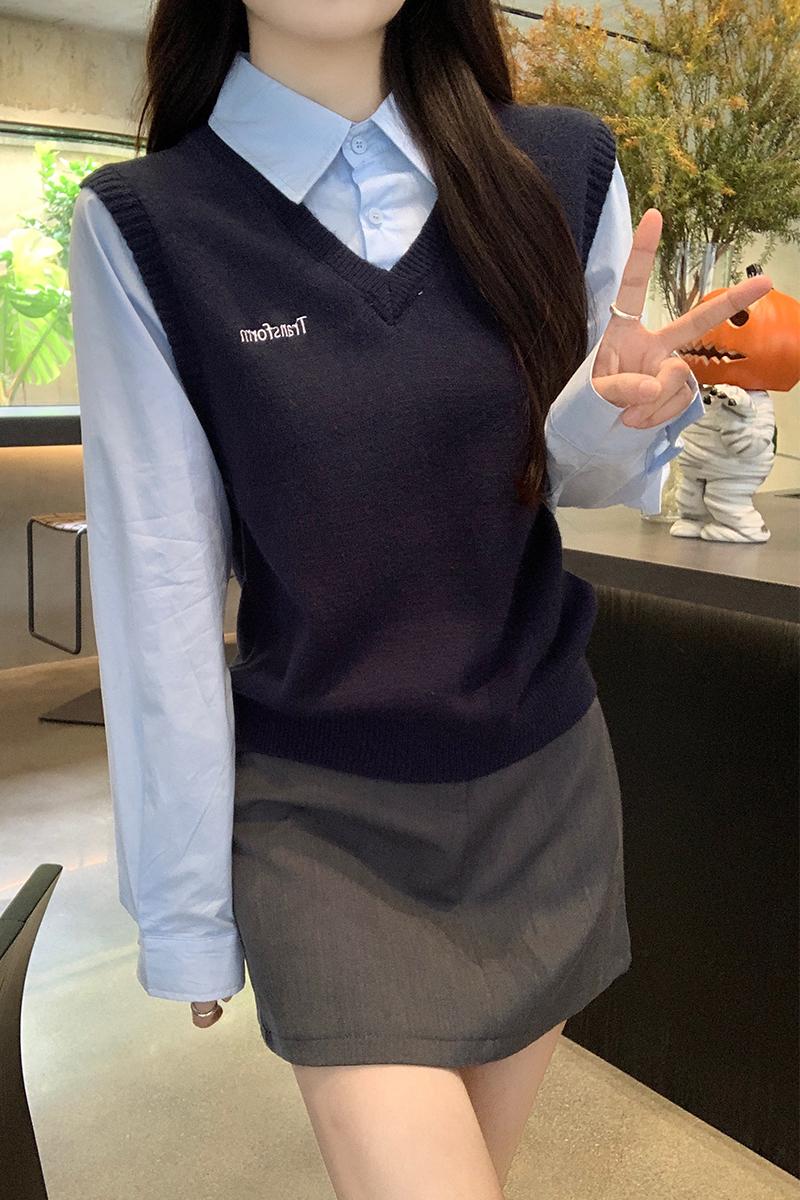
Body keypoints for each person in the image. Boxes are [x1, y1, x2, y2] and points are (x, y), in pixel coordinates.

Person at [67, 2, 771, 1196]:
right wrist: (183, 909)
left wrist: (626, 414)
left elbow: (580, 481)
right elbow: (160, 584)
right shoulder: (148, 222)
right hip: (319, 823)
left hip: (539, 785)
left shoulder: (560, 166)